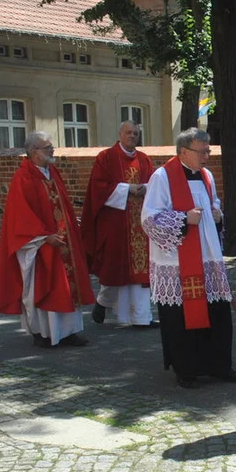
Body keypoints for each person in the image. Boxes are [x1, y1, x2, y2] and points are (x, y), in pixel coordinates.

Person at [141, 128, 236, 389]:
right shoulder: (162, 177)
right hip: (177, 262)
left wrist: (217, 213)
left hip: (208, 256)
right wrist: (184, 219)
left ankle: (219, 365)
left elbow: (213, 202)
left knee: (216, 311)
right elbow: (149, 219)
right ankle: (186, 369)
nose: (207, 156)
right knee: (180, 316)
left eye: (209, 150)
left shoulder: (206, 175)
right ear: (183, 151)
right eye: (203, 151)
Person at [0, 132, 94, 348]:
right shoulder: (24, 178)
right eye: (47, 147)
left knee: (67, 286)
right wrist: (45, 237)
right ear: (33, 152)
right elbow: (21, 216)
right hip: (40, 246)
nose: (52, 150)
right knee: (41, 287)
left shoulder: (52, 172)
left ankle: (69, 331)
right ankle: (43, 333)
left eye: (51, 146)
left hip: (63, 242)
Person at [81, 121, 156, 328]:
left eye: (136, 133)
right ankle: (102, 301)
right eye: (128, 132)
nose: (132, 136)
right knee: (115, 269)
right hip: (116, 223)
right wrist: (127, 189)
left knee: (140, 272)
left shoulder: (144, 159)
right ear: (120, 134)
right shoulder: (106, 157)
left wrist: (145, 188)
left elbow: (154, 184)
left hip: (140, 224)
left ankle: (142, 318)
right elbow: (98, 187)